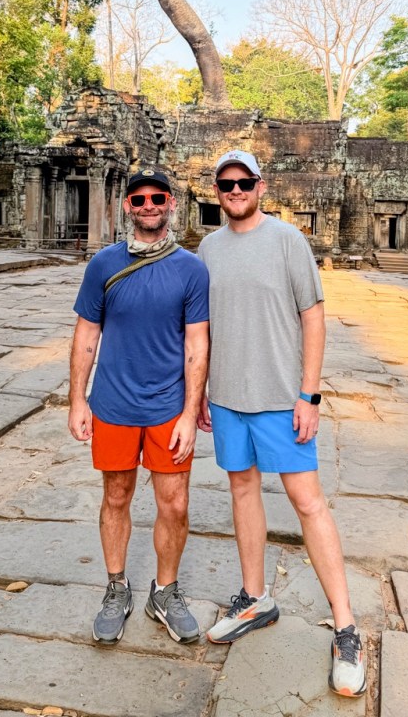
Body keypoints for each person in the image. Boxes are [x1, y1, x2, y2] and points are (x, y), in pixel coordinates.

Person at [197, 150, 366, 698]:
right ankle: (255, 598)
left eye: (243, 182)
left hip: (280, 397)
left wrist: (309, 394)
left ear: (260, 186)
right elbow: (203, 328)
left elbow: (312, 318)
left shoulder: (288, 240)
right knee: (242, 489)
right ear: (217, 191)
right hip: (227, 396)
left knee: (307, 501)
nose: (235, 191)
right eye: (226, 184)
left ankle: (346, 626)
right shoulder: (208, 248)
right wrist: (199, 394)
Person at [68, 167, 209, 646]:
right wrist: (77, 400)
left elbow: (197, 345)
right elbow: (87, 335)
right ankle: (116, 586)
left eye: (157, 198)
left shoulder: (191, 269)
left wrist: (189, 412)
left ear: (172, 203)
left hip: (168, 405)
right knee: (116, 496)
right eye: (140, 199)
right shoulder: (103, 264)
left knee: (175, 501)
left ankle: (164, 591)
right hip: (113, 403)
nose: (149, 205)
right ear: (127, 205)